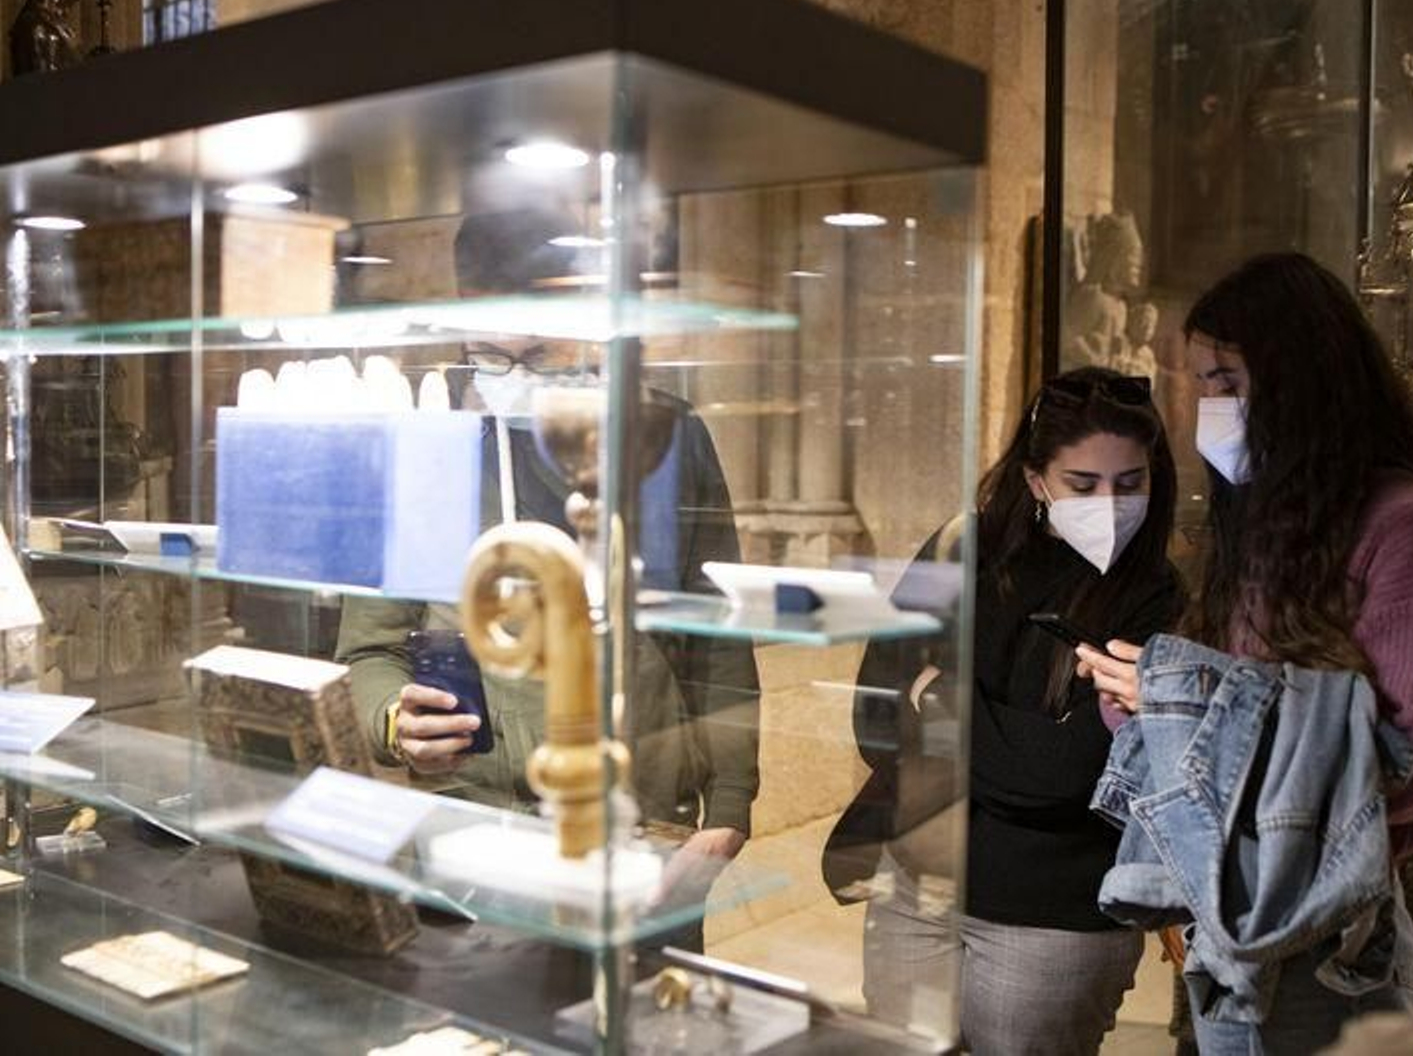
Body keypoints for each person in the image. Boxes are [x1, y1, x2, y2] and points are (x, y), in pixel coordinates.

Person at [1077, 252, 1413, 1053]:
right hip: (1224, 911)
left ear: (1303, 379)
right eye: (1200, 385)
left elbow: (1401, 762)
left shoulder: (1408, 526)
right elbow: (1214, 699)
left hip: (1330, 936)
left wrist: (1180, 696)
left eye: (1227, 381)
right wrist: (1137, 697)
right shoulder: (1266, 528)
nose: (1209, 410)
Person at [335, 208, 760, 947]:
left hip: (641, 824)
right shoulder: (424, 442)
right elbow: (367, 649)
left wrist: (727, 806)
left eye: (539, 355)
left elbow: (716, 627)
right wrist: (394, 725)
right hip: (476, 823)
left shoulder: (665, 434)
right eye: (490, 359)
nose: (515, 380)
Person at [825, 367, 1186, 1054]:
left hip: (1052, 921)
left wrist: (937, 697)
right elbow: (876, 712)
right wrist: (1013, 736)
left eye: (1129, 483)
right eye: (1084, 484)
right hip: (917, 885)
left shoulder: (1161, 601)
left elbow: (1063, 775)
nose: (1109, 503)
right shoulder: (964, 548)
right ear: (1036, 481)